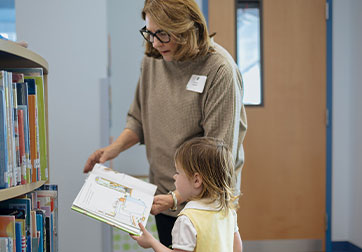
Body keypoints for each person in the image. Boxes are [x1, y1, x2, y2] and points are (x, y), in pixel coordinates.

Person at [83, 0, 247, 247]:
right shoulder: (154, 59)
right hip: (165, 195)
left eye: (163, 34)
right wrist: (112, 150)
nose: (155, 42)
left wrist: (176, 197)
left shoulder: (219, 70)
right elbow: (138, 118)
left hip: (203, 206)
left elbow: (217, 158)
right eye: (149, 32)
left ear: (186, 29)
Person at [131, 137, 243, 252]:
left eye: (178, 172)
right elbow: (237, 249)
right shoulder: (228, 212)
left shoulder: (187, 220)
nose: (175, 177)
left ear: (196, 180)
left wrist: (151, 242)